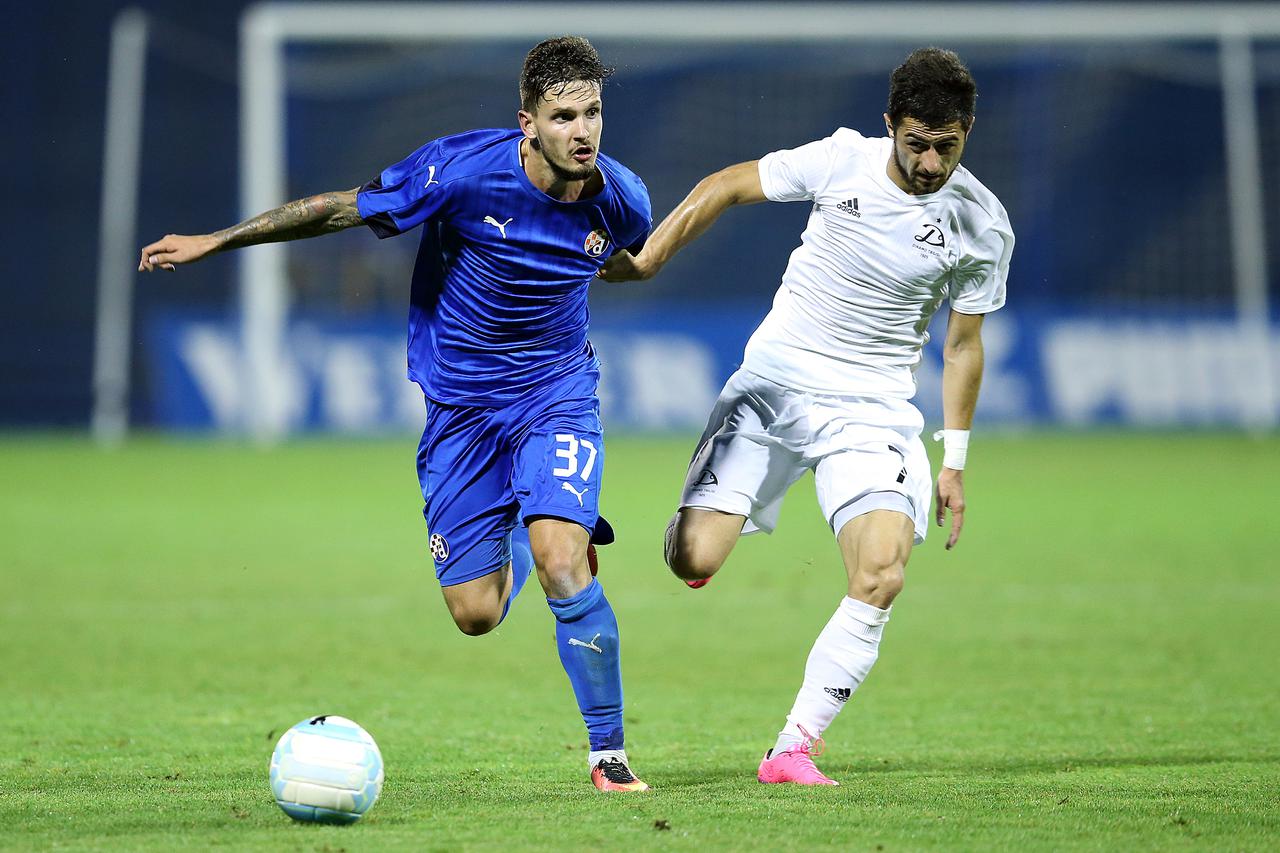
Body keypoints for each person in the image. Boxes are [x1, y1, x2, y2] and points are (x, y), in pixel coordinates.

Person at [139, 36, 652, 793]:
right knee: (475, 612)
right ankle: (524, 519)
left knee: (562, 561)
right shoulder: (460, 171)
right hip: (461, 408)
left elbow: (619, 255)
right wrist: (220, 240)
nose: (583, 131)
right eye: (564, 115)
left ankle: (608, 755)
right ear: (527, 122)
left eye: (594, 113)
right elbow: (340, 210)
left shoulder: (622, 196)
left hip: (556, 395)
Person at [601, 47, 1013, 785]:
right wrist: (651, 258)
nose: (928, 162)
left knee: (883, 572)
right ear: (890, 125)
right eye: (915, 142)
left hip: (872, 412)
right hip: (776, 383)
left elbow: (963, 345)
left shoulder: (981, 224)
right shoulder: (839, 161)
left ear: (968, 131)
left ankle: (791, 746)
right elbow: (725, 184)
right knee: (694, 557)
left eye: (945, 147)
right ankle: (699, 516)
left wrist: (954, 457)